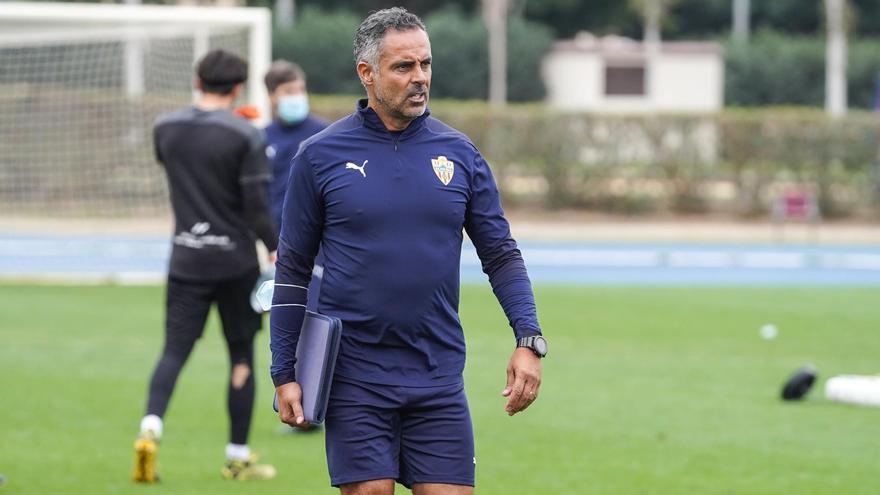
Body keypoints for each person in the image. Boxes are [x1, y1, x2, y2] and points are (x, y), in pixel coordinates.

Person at [270, 8, 547, 495]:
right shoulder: (319, 155)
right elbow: (292, 269)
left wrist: (529, 338)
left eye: (426, 64)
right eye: (403, 67)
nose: (419, 78)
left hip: (437, 374)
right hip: (355, 375)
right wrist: (284, 371)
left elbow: (501, 254)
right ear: (367, 73)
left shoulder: (460, 154)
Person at [132, 49, 277, 483]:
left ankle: (150, 430)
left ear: (198, 81)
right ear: (237, 87)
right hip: (234, 264)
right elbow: (255, 207)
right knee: (241, 356)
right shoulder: (244, 135)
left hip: (185, 258)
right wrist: (276, 247)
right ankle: (237, 458)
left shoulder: (165, 127)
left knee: (174, 350)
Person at [263, 60, 328, 314]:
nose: (297, 97)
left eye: (300, 90)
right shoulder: (260, 138)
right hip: (278, 246)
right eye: (289, 91)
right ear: (271, 96)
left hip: (319, 247)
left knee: (316, 321)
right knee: (284, 325)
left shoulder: (324, 134)